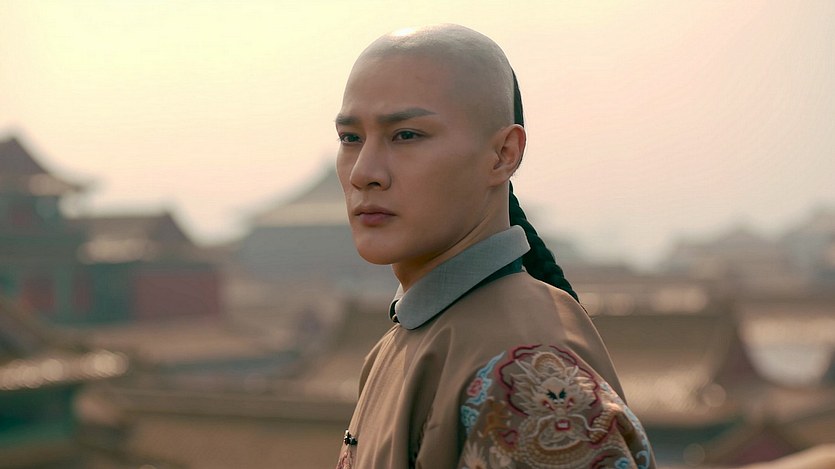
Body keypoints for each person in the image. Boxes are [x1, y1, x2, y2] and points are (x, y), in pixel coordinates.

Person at [334, 23, 655, 469]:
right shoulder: (406, 342)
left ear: (504, 153)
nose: (363, 172)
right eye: (350, 138)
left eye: (406, 135)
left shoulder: (524, 375)